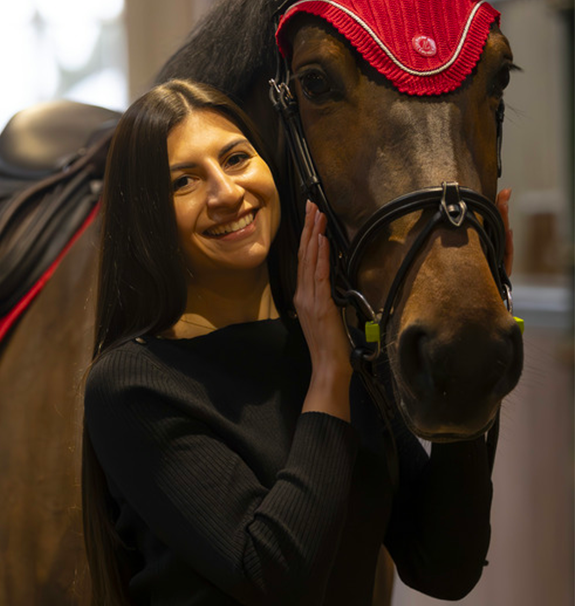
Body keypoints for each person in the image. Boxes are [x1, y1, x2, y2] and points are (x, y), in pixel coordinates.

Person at [82, 79, 512, 606]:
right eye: (184, 182)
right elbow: (275, 577)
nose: (226, 193)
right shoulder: (133, 385)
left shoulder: (341, 340)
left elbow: (446, 566)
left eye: (237, 158)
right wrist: (329, 374)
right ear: (147, 219)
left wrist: (459, 364)